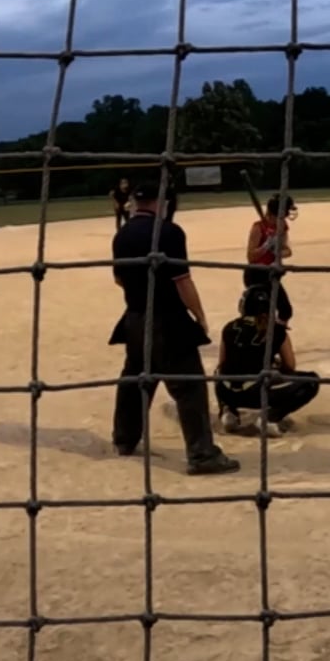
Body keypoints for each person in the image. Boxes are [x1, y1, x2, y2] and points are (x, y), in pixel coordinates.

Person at [109, 180, 239, 474]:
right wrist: (199, 315)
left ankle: (124, 439)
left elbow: (119, 279)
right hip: (167, 319)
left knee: (136, 380)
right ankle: (202, 455)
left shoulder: (122, 234)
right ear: (161, 203)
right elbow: (182, 281)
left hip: (135, 318)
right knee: (189, 387)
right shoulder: (168, 231)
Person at [215, 284, 321, 437]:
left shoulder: (229, 327)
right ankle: (270, 418)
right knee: (311, 381)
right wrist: (274, 366)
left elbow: (222, 363)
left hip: (226, 392)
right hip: (255, 393)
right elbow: (289, 366)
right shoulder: (276, 330)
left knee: (219, 372)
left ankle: (228, 411)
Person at [244, 194, 297, 324]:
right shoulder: (258, 227)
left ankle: (278, 332)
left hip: (272, 273)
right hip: (256, 273)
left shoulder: (282, 226)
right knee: (263, 312)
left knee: (286, 311)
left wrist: (276, 251)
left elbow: (288, 251)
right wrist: (266, 245)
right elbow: (251, 257)